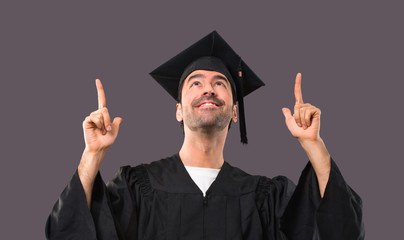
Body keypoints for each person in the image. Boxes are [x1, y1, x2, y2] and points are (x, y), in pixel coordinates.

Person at [45, 31, 364, 240]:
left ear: (235, 112)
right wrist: (92, 154)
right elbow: (66, 232)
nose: (208, 88)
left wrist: (314, 146)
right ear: (179, 110)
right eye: (195, 82)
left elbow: (342, 232)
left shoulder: (266, 197)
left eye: (220, 83)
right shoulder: (136, 188)